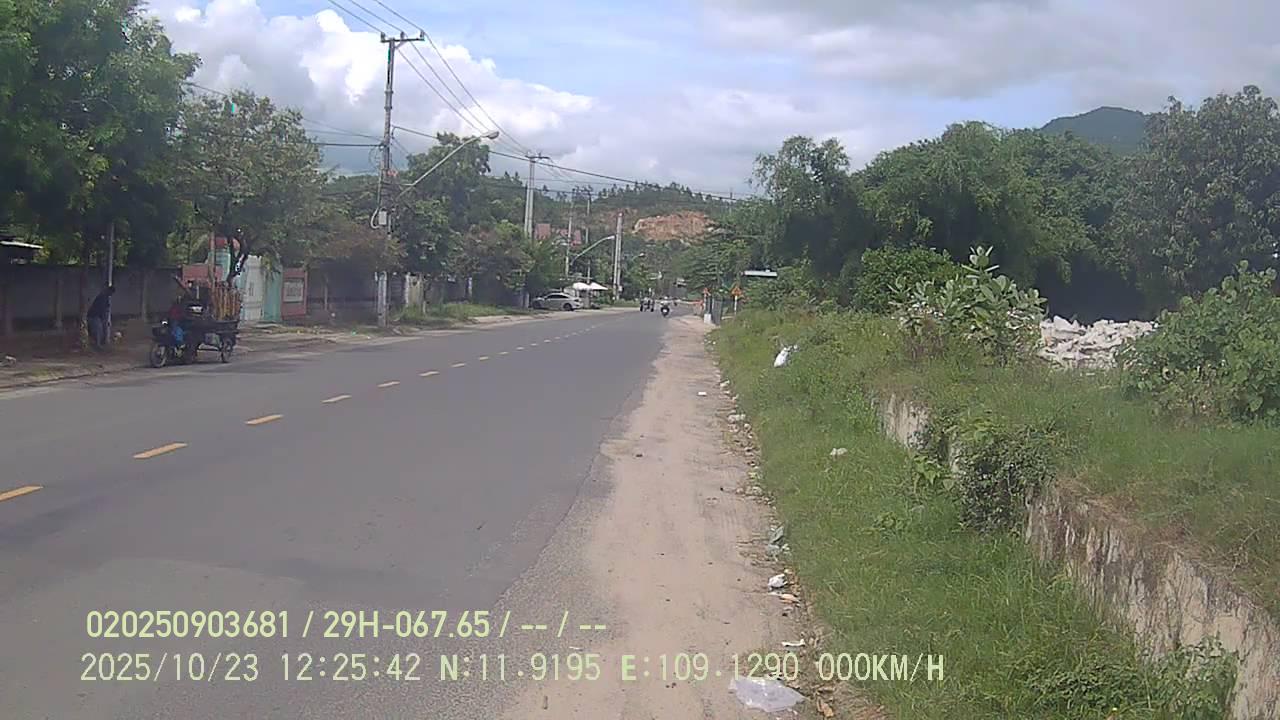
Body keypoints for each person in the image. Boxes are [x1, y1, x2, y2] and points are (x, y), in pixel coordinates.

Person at [85, 285, 115, 349]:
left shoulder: (105, 297)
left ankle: (97, 344)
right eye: (111, 293)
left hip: (95, 316)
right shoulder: (103, 297)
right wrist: (104, 318)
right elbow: (102, 309)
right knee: (98, 330)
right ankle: (97, 345)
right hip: (94, 316)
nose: (111, 294)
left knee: (99, 330)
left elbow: (105, 309)